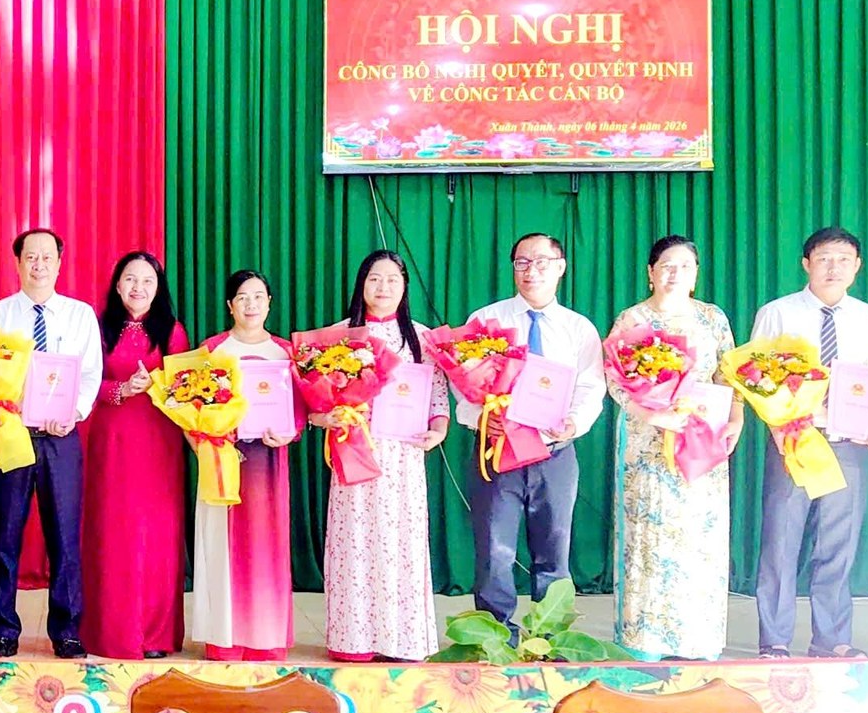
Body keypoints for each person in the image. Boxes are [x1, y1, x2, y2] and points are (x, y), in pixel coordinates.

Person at [748, 227, 868, 658]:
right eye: (825, 258)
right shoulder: (778, 313)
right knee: (781, 541)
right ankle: (774, 640)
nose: (834, 267)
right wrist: (778, 425)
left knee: (838, 545)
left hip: (850, 442)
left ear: (857, 266)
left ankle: (832, 640)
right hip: (794, 440)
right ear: (806, 264)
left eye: (844, 259)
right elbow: (753, 375)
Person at [606, 236, 745, 661]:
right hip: (647, 441)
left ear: (696, 274)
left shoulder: (712, 318)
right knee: (649, 533)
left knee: (698, 536)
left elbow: (729, 374)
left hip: (702, 435)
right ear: (651, 272)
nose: (675, 273)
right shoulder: (633, 319)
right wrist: (653, 416)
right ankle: (644, 638)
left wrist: (737, 417)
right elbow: (615, 379)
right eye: (666, 265)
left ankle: (697, 638)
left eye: (685, 266)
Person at [457, 233, 606, 625]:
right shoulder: (485, 322)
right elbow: (462, 385)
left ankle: (550, 636)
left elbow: (591, 386)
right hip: (497, 453)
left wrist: (574, 422)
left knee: (554, 552)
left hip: (555, 454)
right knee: (494, 552)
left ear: (561, 267)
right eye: (522, 262)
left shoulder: (578, 328)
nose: (531, 271)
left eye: (541, 262)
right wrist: (481, 419)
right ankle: (494, 637)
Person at [316, 251, 449, 661]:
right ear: (361, 284)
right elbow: (313, 399)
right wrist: (325, 416)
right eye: (375, 278)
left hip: (403, 457)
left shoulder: (422, 338)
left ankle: (401, 640)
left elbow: (437, 395)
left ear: (405, 286)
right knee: (355, 542)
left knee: (400, 545)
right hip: (354, 450)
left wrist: (438, 430)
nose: (383, 287)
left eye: (393, 279)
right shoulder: (340, 335)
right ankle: (353, 640)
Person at [0, 229, 101, 659]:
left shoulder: (80, 315)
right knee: (4, 538)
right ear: (17, 263)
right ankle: (2, 631)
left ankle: (66, 631)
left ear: (60, 263)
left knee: (65, 538)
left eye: (47, 257)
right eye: (31, 257)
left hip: (61, 440)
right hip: (11, 436)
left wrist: (74, 412)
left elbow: (90, 375)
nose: (39, 265)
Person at [79, 251, 190, 659]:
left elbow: (186, 387)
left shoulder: (172, 331)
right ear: (117, 284)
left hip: (159, 444)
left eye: (147, 280)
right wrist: (121, 390)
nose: (138, 287)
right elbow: (85, 382)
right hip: (111, 442)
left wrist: (157, 384)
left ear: (158, 288)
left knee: (157, 534)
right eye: (130, 279)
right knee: (113, 532)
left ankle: (155, 634)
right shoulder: (98, 327)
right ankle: (110, 631)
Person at [193, 270, 300, 660]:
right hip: (222, 464)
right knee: (222, 547)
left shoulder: (286, 352)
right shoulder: (212, 350)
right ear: (230, 306)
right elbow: (192, 407)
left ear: (269, 302)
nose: (251, 304)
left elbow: (300, 410)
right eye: (242, 297)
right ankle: (224, 638)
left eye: (258, 296)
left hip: (268, 463)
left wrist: (288, 433)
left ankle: (265, 638)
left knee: (266, 549)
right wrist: (210, 439)